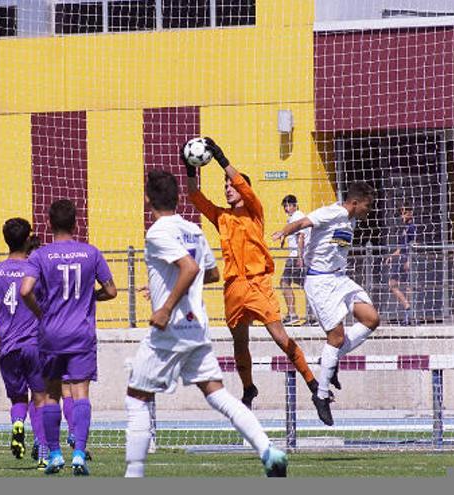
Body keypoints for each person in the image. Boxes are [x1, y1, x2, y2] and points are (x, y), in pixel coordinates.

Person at [124, 170, 287, 477]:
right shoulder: (193, 231)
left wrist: (165, 306)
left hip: (169, 329)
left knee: (136, 397)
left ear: (148, 198)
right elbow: (210, 274)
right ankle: (268, 450)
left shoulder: (158, 232)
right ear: (176, 198)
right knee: (217, 394)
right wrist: (165, 282)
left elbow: (189, 267)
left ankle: (134, 475)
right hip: (196, 328)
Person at [185, 138, 317, 407]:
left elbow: (243, 186)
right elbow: (195, 197)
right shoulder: (222, 217)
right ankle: (249, 388)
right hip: (234, 287)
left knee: (280, 337)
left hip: (258, 284)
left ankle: (313, 383)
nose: (228, 188)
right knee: (239, 343)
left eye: (231, 185)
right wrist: (188, 167)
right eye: (225, 186)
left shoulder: (255, 212)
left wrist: (222, 159)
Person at [20, 199, 117, 475]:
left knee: (51, 394)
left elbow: (26, 290)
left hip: (51, 334)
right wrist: (89, 298)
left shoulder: (40, 256)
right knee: (81, 393)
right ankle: (78, 453)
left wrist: (42, 313)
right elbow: (111, 291)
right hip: (81, 334)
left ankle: (53, 454)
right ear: (76, 223)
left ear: (49, 223)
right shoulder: (91, 253)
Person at [272, 182, 381, 426]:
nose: (369, 210)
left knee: (372, 319)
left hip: (340, 279)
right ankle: (321, 396)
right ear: (355, 203)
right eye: (367, 205)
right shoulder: (333, 213)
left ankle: (329, 362)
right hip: (320, 283)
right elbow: (303, 223)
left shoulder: (351, 220)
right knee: (336, 337)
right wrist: (284, 231)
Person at [0, 218, 48, 469]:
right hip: (34, 345)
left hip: (8, 347)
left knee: (18, 398)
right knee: (40, 398)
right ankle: (43, 451)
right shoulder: (35, 269)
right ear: (28, 239)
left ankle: (18, 423)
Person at [384, 204, 416, 324]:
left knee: (408, 284)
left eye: (404, 212)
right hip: (402, 258)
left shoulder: (412, 227)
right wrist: (391, 257)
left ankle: (409, 313)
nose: (402, 216)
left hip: (406, 258)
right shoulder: (405, 228)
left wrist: (408, 260)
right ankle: (407, 308)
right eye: (401, 213)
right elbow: (402, 247)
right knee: (393, 284)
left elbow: (412, 245)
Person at [279, 195, 308, 326]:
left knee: (284, 282)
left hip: (295, 256)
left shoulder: (297, 216)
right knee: (306, 285)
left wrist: (299, 257)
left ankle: (292, 314)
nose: (286, 208)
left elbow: (301, 236)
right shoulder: (295, 217)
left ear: (295, 205)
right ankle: (312, 316)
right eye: (285, 206)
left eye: (288, 205)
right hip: (297, 255)